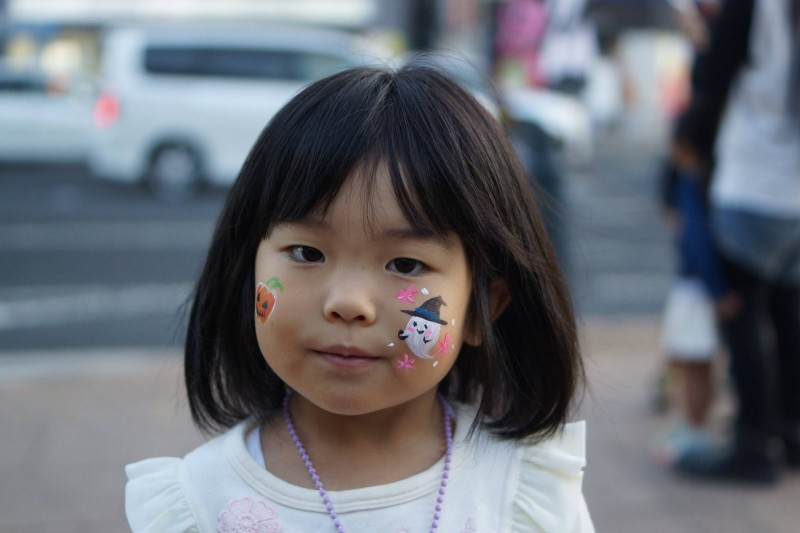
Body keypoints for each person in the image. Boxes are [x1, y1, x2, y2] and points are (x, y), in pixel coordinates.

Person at [124, 64, 593, 531]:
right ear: (249, 272)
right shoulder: (199, 505)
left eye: (406, 264)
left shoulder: (525, 497)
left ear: (482, 308)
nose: (348, 303)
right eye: (307, 252)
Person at [672, 0, 800, 483]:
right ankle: (789, 430)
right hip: (794, 194)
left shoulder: (755, 8)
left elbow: (710, 79)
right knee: (787, 315)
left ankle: (753, 441)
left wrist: (687, 154)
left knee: (741, 317)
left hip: (751, 184)